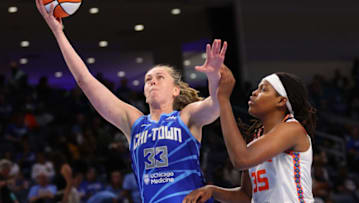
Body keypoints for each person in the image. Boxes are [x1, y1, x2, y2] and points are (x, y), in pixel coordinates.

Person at [35, 1, 228, 202]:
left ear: (175, 90)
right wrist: (58, 33)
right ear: (144, 93)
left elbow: (215, 106)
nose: (152, 80)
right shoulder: (134, 122)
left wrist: (214, 79)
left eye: (160, 77)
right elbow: (85, 81)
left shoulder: (187, 117)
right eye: (148, 79)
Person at [183, 66, 316, 203]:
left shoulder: (292, 128)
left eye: (263, 89)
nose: (254, 92)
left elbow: (241, 159)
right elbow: (246, 196)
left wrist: (223, 100)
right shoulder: (256, 139)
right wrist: (212, 191)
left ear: (281, 101)